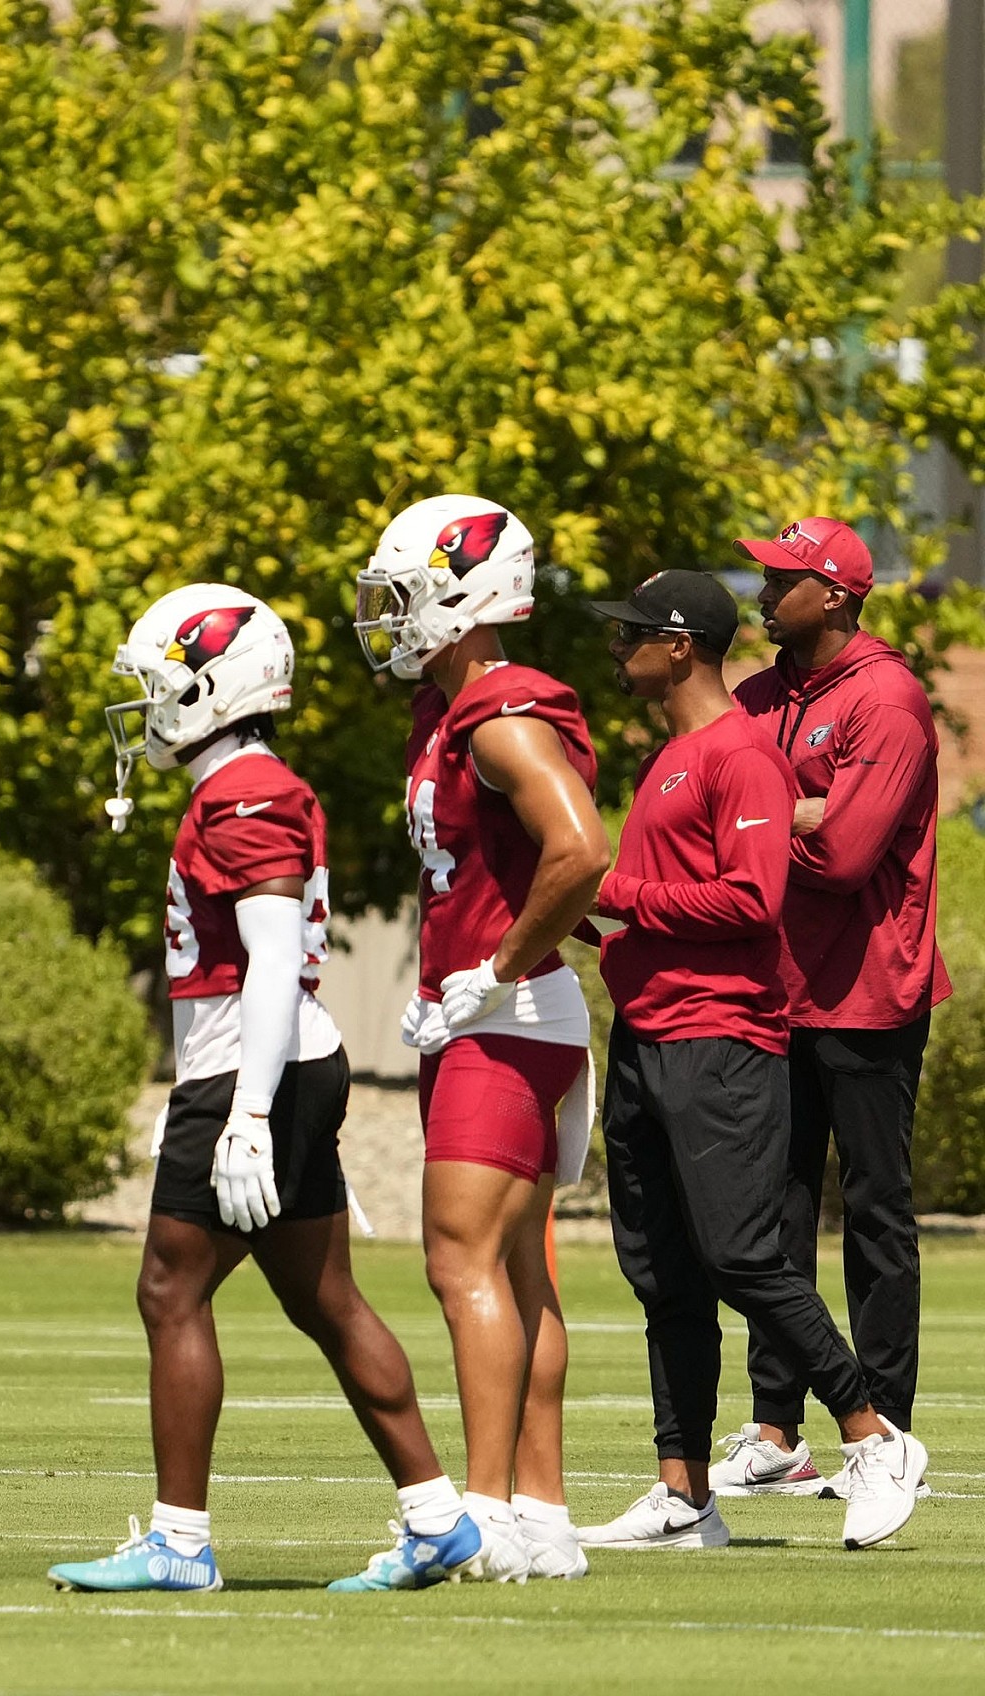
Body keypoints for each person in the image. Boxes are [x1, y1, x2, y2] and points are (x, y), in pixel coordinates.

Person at [47, 587, 484, 1595]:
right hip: (279, 1064)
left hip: (257, 1068)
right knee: (324, 1298)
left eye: (162, 683)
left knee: (170, 1291)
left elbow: (275, 957)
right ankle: (436, 1519)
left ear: (216, 687)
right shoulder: (240, 785)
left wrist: (245, 1111)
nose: (148, 705)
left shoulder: (245, 792)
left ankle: (179, 1543)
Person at [576, 569, 930, 1551]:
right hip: (648, 1035)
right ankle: (683, 1494)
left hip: (721, 1041)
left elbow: (748, 899)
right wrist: (582, 916)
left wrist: (615, 894)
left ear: (680, 645)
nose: (618, 650)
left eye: (631, 635)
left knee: (741, 1256)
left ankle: (872, 1435)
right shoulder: (673, 757)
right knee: (666, 1276)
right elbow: (660, 906)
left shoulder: (738, 754)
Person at [353, 496, 608, 1581]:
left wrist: (495, 971)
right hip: (490, 1014)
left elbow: (581, 849)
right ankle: (542, 1516)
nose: (386, 616)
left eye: (403, 595)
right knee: (513, 1270)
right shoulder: (448, 706)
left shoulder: (501, 714)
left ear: (463, 598)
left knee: (460, 1262)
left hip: (508, 1016)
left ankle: (489, 1511)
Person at [713, 518, 951, 1500]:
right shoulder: (756, 696)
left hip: (869, 991)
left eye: (782, 580)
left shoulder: (886, 698)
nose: (764, 594)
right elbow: (713, 821)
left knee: (875, 1215)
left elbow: (846, 856)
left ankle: (884, 1434)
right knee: (771, 1216)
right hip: (774, 990)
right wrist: (797, 812)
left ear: (837, 597)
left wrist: (767, 819)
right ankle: (777, 1431)